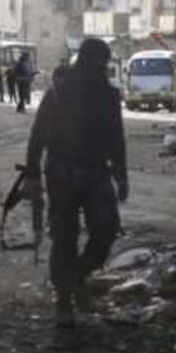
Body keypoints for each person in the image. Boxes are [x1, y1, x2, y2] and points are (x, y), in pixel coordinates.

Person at [25, 39, 128, 327]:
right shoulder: (59, 91)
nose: (98, 67)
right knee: (64, 238)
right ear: (83, 60)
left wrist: (122, 174)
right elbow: (39, 133)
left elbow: (116, 138)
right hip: (62, 173)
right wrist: (32, 172)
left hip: (97, 172)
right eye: (95, 61)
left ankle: (76, 279)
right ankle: (64, 302)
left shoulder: (108, 95)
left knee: (106, 231)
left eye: (102, 62)